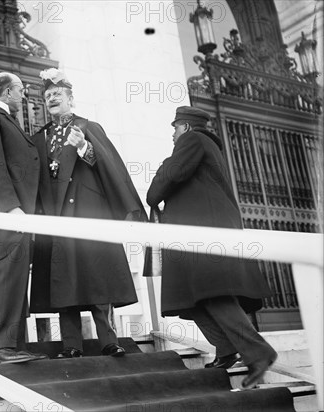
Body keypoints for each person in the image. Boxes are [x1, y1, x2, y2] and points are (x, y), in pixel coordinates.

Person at [146, 106, 277, 389]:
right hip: (200, 232)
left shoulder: (192, 141)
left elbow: (162, 185)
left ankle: (258, 351)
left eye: (175, 127)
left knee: (213, 295)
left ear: (187, 128)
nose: (173, 134)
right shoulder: (206, 146)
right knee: (194, 299)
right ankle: (226, 349)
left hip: (202, 233)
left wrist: (160, 174)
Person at [29, 68, 147, 358]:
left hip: (86, 214)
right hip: (55, 221)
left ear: (71, 98)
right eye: (48, 96)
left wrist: (83, 146)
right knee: (62, 284)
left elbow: (108, 167)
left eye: (58, 94)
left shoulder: (88, 126)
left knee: (97, 278)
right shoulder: (39, 138)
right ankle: (71, 345)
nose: (52, 98)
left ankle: (109, 340)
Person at [0, 72, 46, 364]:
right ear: (5, 92)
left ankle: (13, 346)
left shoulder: (7, 120)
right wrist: (11, 208)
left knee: (16, 280)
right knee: (9, 278)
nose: (24, 95)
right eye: (20, 90)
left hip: (17, 216)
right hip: (6, 216)